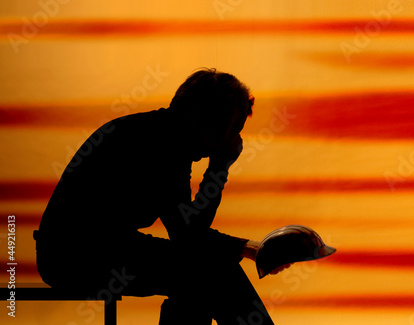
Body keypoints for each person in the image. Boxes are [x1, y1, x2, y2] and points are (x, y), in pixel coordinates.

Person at [34, 68, 286, 324]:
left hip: (93, 248)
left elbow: (188, 230)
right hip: (74, 259)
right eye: (232, 130)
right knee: (210, 273)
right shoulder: (161, 148)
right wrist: (219, 168)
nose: (234, 142)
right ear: (200, 119)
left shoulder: (162, 135)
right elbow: (188, 235)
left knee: (204, 275)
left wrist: (248, 248)